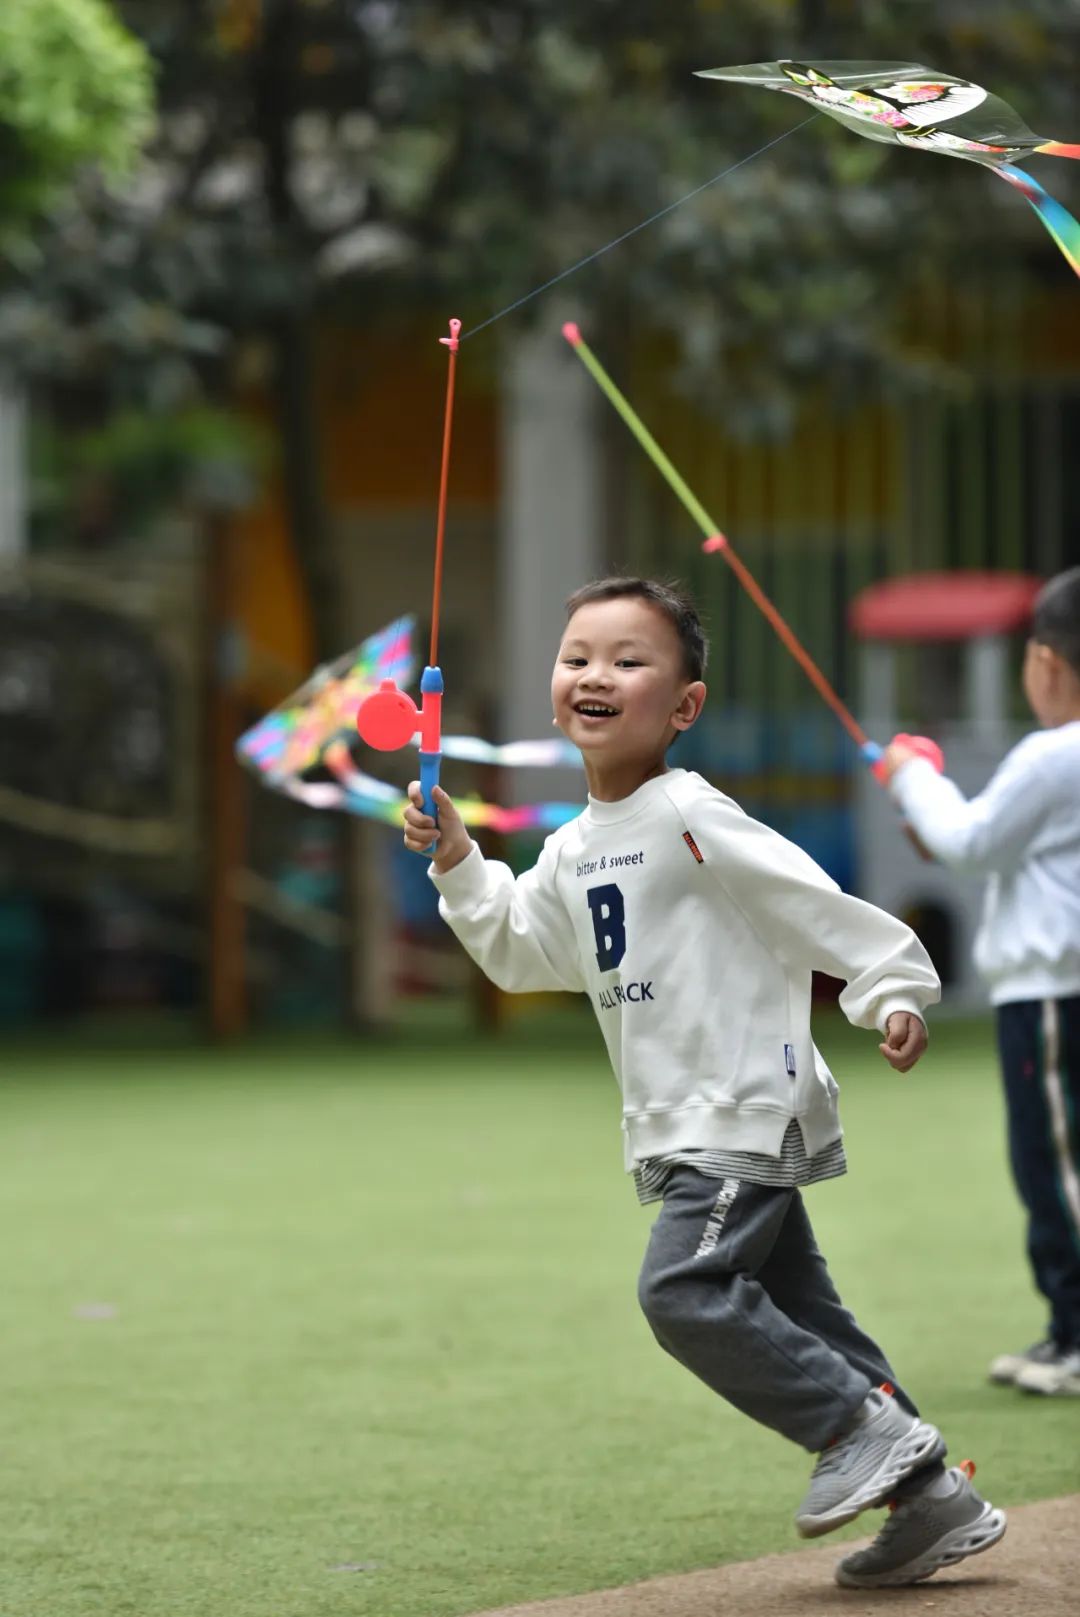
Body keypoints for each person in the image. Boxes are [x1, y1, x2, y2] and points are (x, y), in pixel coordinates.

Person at [404, 576, 1006, 1589]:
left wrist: (892, 984)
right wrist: (463, 859)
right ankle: (931, 1497)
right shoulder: (568, 847)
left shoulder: (690, 812)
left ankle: (861, 1433)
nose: (594, 675)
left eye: (628, 660)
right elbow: (520, 952)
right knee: (801, 1313)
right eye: (578, 657)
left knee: (682, 1290)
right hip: (683, 1117)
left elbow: (808, 903)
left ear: (684, 707)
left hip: (739, 1102)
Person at [884, 565, 1080, 1400]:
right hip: (1054, 989)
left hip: (1048, 993)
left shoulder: (1055, 752)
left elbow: (969, 841)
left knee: (1053, 1162)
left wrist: (910, 771)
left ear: (1044, 660)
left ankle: (1075, 1334)